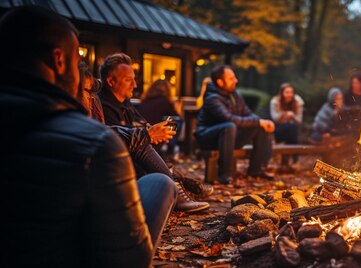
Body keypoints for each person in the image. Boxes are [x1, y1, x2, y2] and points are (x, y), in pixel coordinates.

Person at [0, 6, 175, 267]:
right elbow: (129, 260)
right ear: (58, 60)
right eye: (77, 62)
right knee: (160, 183)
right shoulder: (95, 144)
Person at [98, 53, 210, 212]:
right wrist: (147, 133)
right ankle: (178, 191)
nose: (135, 85)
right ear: (110, 81)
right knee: (141, 142)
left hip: (135, 158)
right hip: (117, 162)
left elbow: (142, 124)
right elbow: (116, 139)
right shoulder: (102, 106)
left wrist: (154, 130)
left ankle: (182, 184)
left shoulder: (125, 103)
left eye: (134, 79)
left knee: (147, 140)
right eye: (129, 80)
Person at [195, 65, 275, 184]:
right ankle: (225, 175)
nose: (236, 80)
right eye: (231, 78)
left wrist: (263, 122)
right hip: (208, 138)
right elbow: (229, 118)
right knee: (229, 126)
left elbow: (248, 114)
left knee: (259, 127)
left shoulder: (234, 95)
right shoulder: (212, 99)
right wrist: (259, 121)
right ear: (220, 82)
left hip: (230, 137)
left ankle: (256, 170)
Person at [138, 79, 183, 155]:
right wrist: (178, 108)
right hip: (156, 134)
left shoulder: (145, 100)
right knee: (177, 121)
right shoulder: (165, 101)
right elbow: (177, 116)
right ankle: (170, 149)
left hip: (142, 133)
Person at [270, 83, 304, 169]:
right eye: (287, 92)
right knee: (289, 126)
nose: (289, 94)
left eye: (291, 92)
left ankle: (286, 163)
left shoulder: (297, 102)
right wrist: (284, 115)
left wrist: (292, 116)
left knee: (291, 127)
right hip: (278, 131)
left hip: (291, 132)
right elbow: (275, 118)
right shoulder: (275, 102)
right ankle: (294, 160)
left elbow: (299, 121)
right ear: (282, 93)